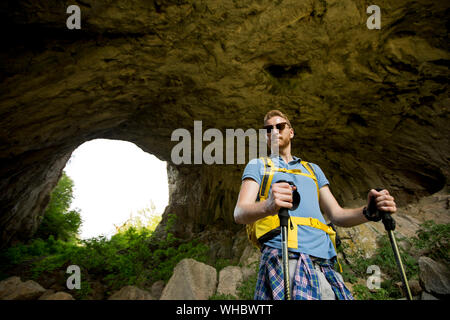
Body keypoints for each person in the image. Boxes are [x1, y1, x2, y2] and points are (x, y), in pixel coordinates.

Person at [233, 109, 397, 300]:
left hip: (325, 262)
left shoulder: (312, 170)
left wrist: (368, 212)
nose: (274, 131)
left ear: (291, 132)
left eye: (280, 126)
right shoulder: (259, 165)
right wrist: (268, 205)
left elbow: (337, 215)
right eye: (268, 129)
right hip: (286, 256)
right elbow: (239, 213)